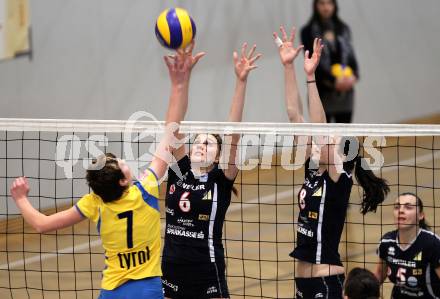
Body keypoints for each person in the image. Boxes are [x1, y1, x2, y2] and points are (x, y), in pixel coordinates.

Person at [9, 42, 205, 299]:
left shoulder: (94, 203)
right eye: (122, 164)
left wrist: (21, 198)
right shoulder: (144, 189)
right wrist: (180, 82)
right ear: (124, 181)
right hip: (147, 289)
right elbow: (171, 128)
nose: (126, 161)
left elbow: (41, 224)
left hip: (111, 291)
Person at [273, 25, 389, 298]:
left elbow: (320, 131)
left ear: (342, 156)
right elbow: (294, 115)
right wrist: (289, 68)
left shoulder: (339, 178)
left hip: (325, 282)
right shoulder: (313, 170)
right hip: (303, 282)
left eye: (329, 140)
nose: (316, 142)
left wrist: (311, 77)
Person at [161, 42, 261, 299]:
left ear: (219, 157)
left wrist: (241, 81)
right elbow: (173, 124)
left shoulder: (219, 180)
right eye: (199, 141)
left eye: (209, 144)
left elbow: (232, 136)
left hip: (206, 269)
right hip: (171, 268)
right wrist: (183, 78)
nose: (201, 146)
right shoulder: (179, 171)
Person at [301, 0, 359, 123]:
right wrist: (334, 81)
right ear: (316, 6)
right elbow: (312, 62)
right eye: (322, 3)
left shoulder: (343, 29)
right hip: (321, 92)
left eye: (329, 3)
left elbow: (351, 58)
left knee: (344, 137)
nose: (326, 7)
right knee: (323, 138)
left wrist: (354, 76)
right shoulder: (307, 31)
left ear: (334, 5)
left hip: (345, 93)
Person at [375, 193, 440, 298]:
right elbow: (379, 275)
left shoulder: (432, 244)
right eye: (397, 207)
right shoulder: (386, 242)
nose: (400, 210)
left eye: (408, 207)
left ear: (420, 215)